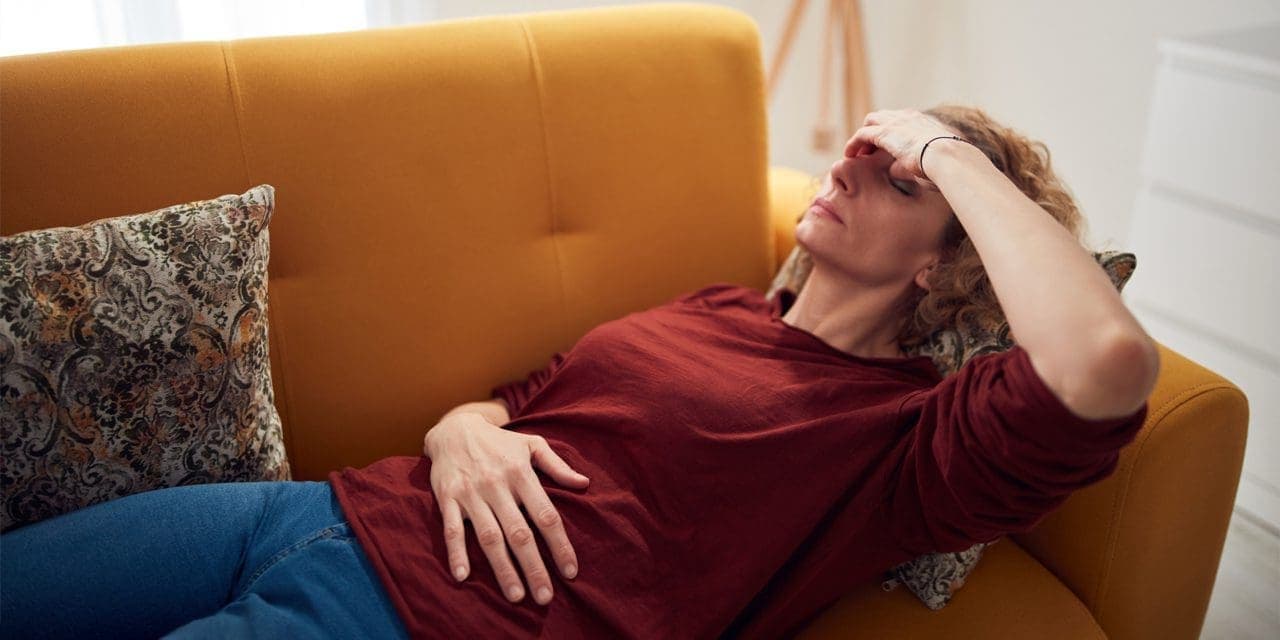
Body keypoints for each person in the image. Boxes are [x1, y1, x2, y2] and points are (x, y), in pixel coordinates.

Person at [0, 105, 1159, 639]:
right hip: (307, 511)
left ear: (943, 265)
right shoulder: (715, 309)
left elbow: (1102, 361)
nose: (856, 161)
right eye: (862, 149)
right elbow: (518, 399)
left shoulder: (907, 440)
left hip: (411, 615)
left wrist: (944, 149)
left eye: (896, 181)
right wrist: (463, 430)